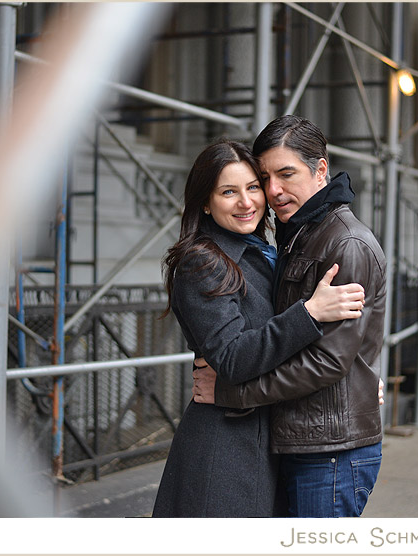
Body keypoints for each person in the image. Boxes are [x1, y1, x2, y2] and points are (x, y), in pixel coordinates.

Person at [151, 139, 367, 517]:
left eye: (253, 187)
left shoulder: (263, 252)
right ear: (205, 202)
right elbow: (232, 357)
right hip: (226, 447)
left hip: (265, 434)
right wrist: (310, 312)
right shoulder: (203, 262)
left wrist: (357, 386)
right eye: (228, 192)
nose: (246, 202)